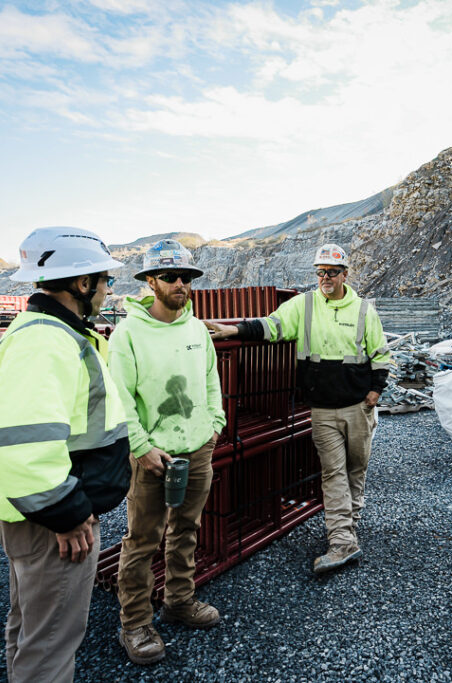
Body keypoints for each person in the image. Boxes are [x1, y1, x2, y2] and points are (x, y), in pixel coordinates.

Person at [0, 227, 130, 682]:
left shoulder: (52, 334)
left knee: (31, 632)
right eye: (105, 281)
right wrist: (68, 514)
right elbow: (24, 444)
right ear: (82, 284)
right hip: (56, 526)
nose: (107, 291)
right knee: (51, 647)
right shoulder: (46, 342)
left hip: (47, 520)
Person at [206, 243, 392, 574]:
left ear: (344, 275)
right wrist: (233, 329)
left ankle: (350, 524)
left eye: (331, 273)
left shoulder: (364, 310)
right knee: (333, 473)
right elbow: (271, 326)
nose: (325, 278)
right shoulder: (303, 306)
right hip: (322, 410)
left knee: (355, 469)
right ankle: (342, 541)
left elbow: (380, 353)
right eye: (320, 272)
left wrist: (375, 391)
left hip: (358, 408)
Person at [109, 239, 227, 665]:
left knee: (187, 529)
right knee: (142, 540)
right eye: (171, 277)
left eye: (187, 277)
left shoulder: (196, 329)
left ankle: (179, 600)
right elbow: (119, 397)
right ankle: (135, 623)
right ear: (150, 281)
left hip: (197, 449)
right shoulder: (128, 334)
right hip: (152, 457)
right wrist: (140, 447)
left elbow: (211, 380)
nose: (181, 284)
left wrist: (215, 424)